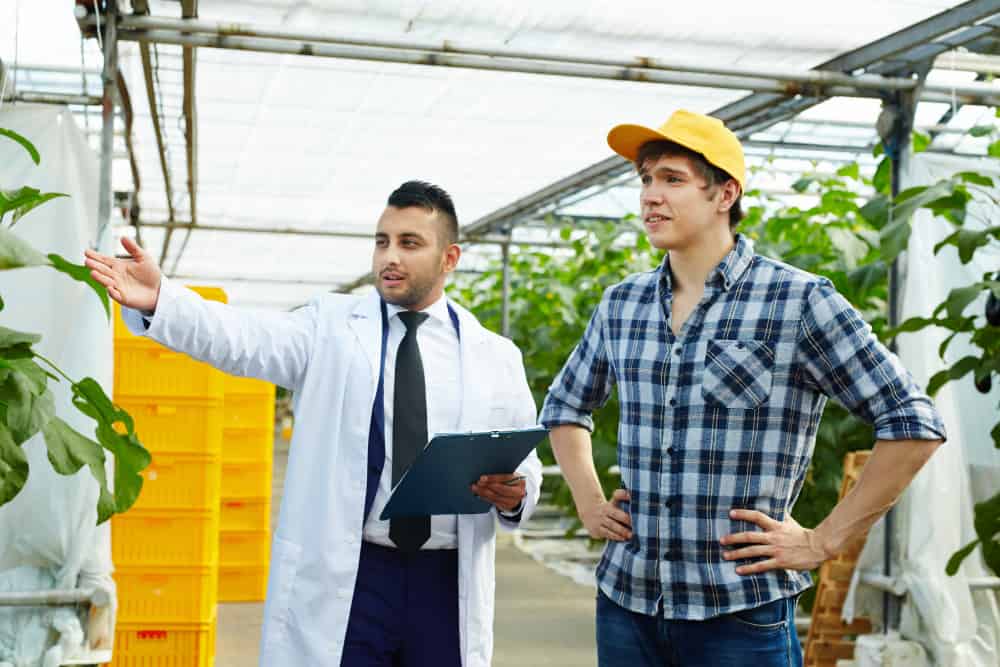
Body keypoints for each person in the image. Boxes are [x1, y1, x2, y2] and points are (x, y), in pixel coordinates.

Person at [538, 110, 946, 666]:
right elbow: (566, 404)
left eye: (673, 179)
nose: (651, 195)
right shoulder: (622, 304)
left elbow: (913, 422)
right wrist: (588, 500)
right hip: (627, 605)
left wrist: (823, 540)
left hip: (739, 614)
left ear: (725, 193)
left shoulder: (797, 301)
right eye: (646, 179)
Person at [85, 181, 543, 667]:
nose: (390, 257)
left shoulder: (496, 357)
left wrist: (516, 494)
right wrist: (162, 299)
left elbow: (524, 461)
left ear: (449, 258)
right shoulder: (329, 326)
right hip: (354, 575)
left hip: (446, 582)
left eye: (409, 243)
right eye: (382, 241)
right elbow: (242, 338)